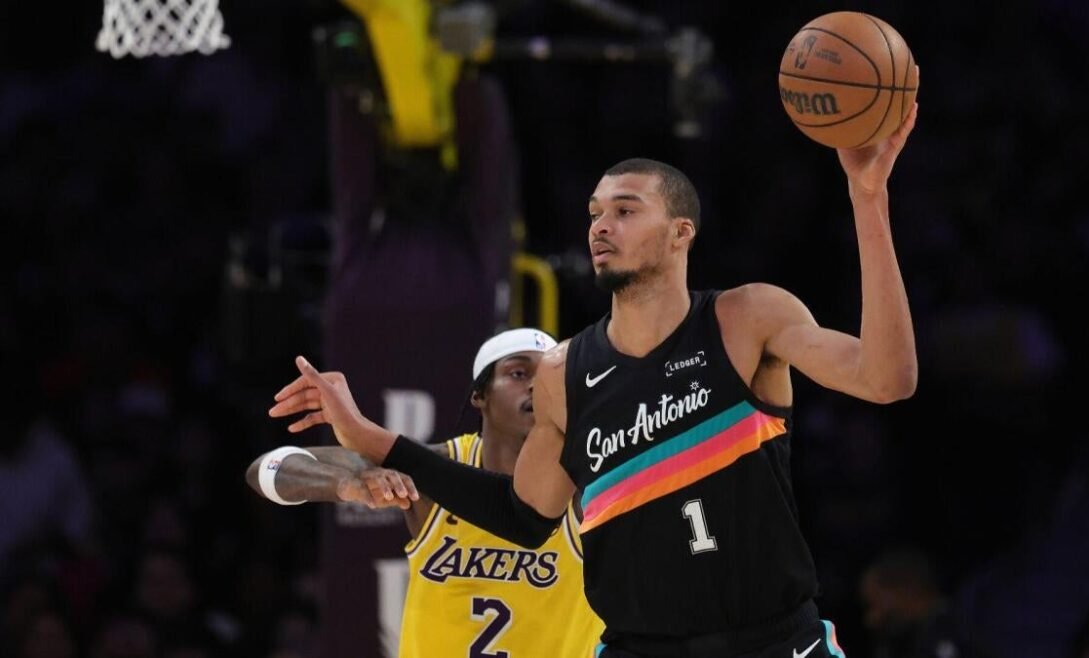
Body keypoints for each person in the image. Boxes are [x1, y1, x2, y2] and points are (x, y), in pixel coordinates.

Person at [270, 102, 920, 657]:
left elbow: (886, 379)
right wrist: (371, 440)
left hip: (773, 642)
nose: (601, 226)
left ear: (680, 233)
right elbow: (523, 516)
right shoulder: (564, 372)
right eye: (594, 213)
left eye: (626, 210)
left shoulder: (747, 319)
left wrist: (869, 199)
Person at [248, 328, 604, 658]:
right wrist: (347, 483)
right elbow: (267, 468)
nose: (535, 387)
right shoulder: (434, 469)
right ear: (479, 395)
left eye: (547, 379)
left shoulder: (583, 483)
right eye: (519, 373)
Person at [859, 547, 983, 658]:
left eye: (875, 605)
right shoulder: (908, 641)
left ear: (906, 589)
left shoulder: (961, 630)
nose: (872, 619)